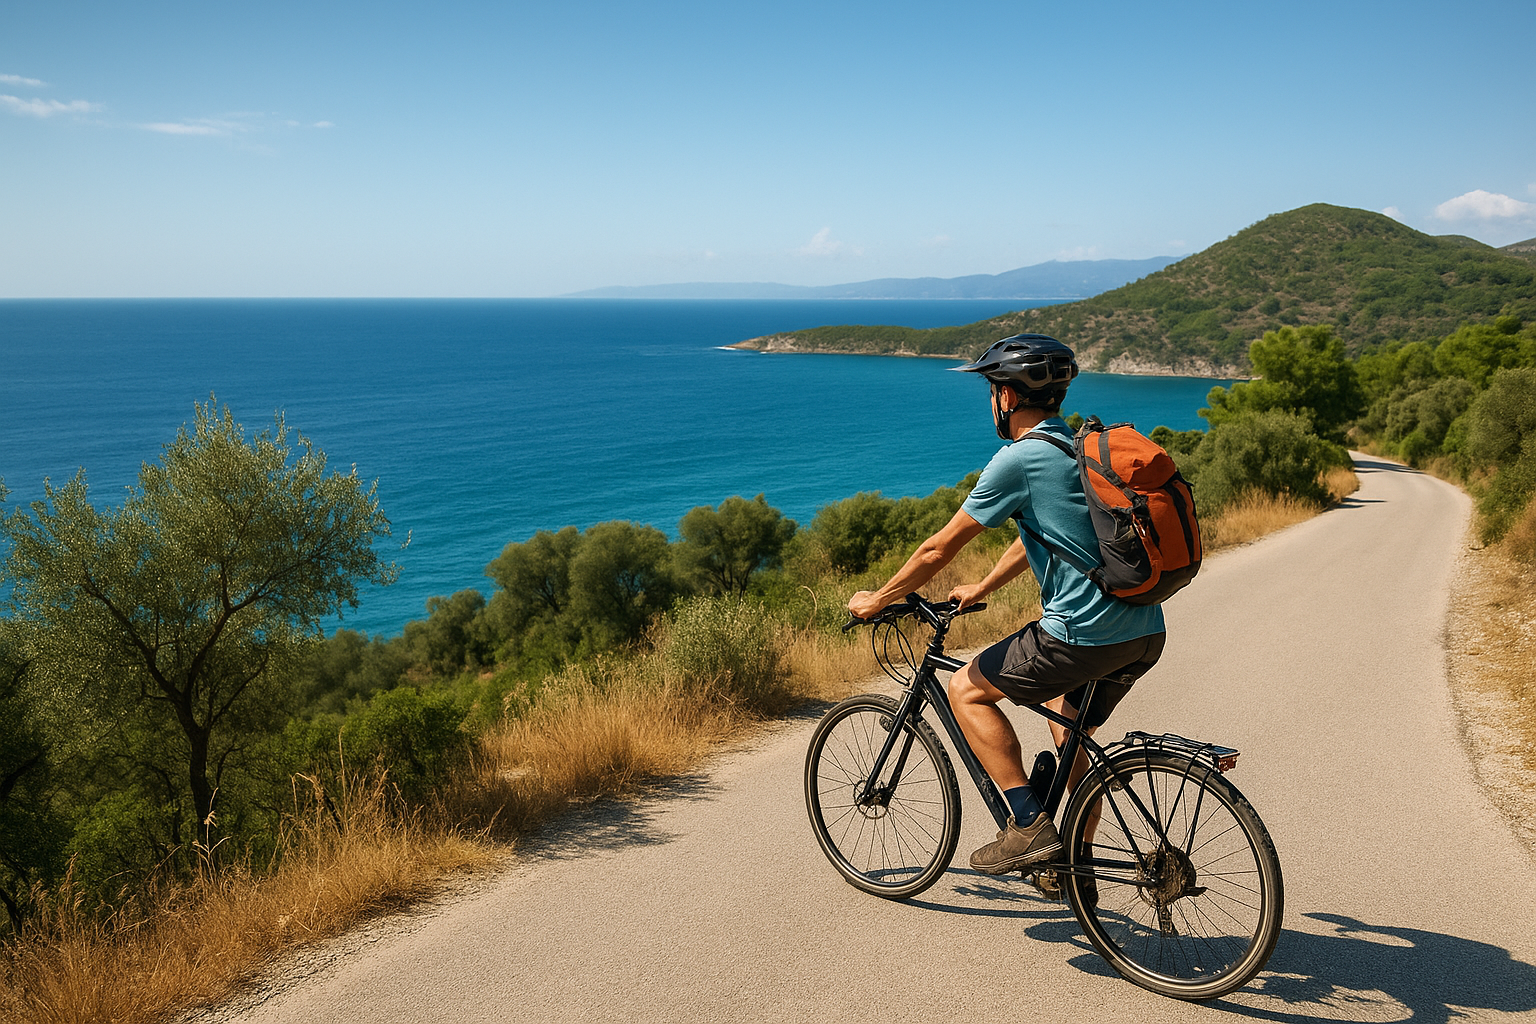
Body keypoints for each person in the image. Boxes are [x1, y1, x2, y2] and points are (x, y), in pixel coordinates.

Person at [847, 333, 1166, 874]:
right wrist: (983, 588)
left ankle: (1028, 826)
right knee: (1068, 733)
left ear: (1008, 397)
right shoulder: (1077, 448)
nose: (990, 400)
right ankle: (1074, 865)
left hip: (1082, 633)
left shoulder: (1019, 458)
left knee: (965, 690)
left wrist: (876, 599)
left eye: (992, 389)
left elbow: (938, 548)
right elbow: (1042, 533)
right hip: (1143, 631)